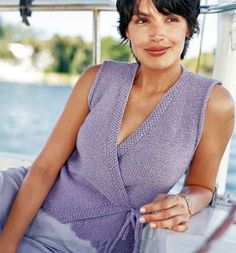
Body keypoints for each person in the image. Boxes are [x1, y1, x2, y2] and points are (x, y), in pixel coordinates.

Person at [0, 0, 234, 252]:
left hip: (94, 242)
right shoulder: (96, 79)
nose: (157, 34)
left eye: (171, 19)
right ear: (127, 30)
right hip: (22, 199)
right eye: (142, 21)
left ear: (188, 28)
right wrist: (7, 244)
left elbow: (202, 187)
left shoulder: (213, 102)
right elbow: (45, 168)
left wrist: (185, 204)